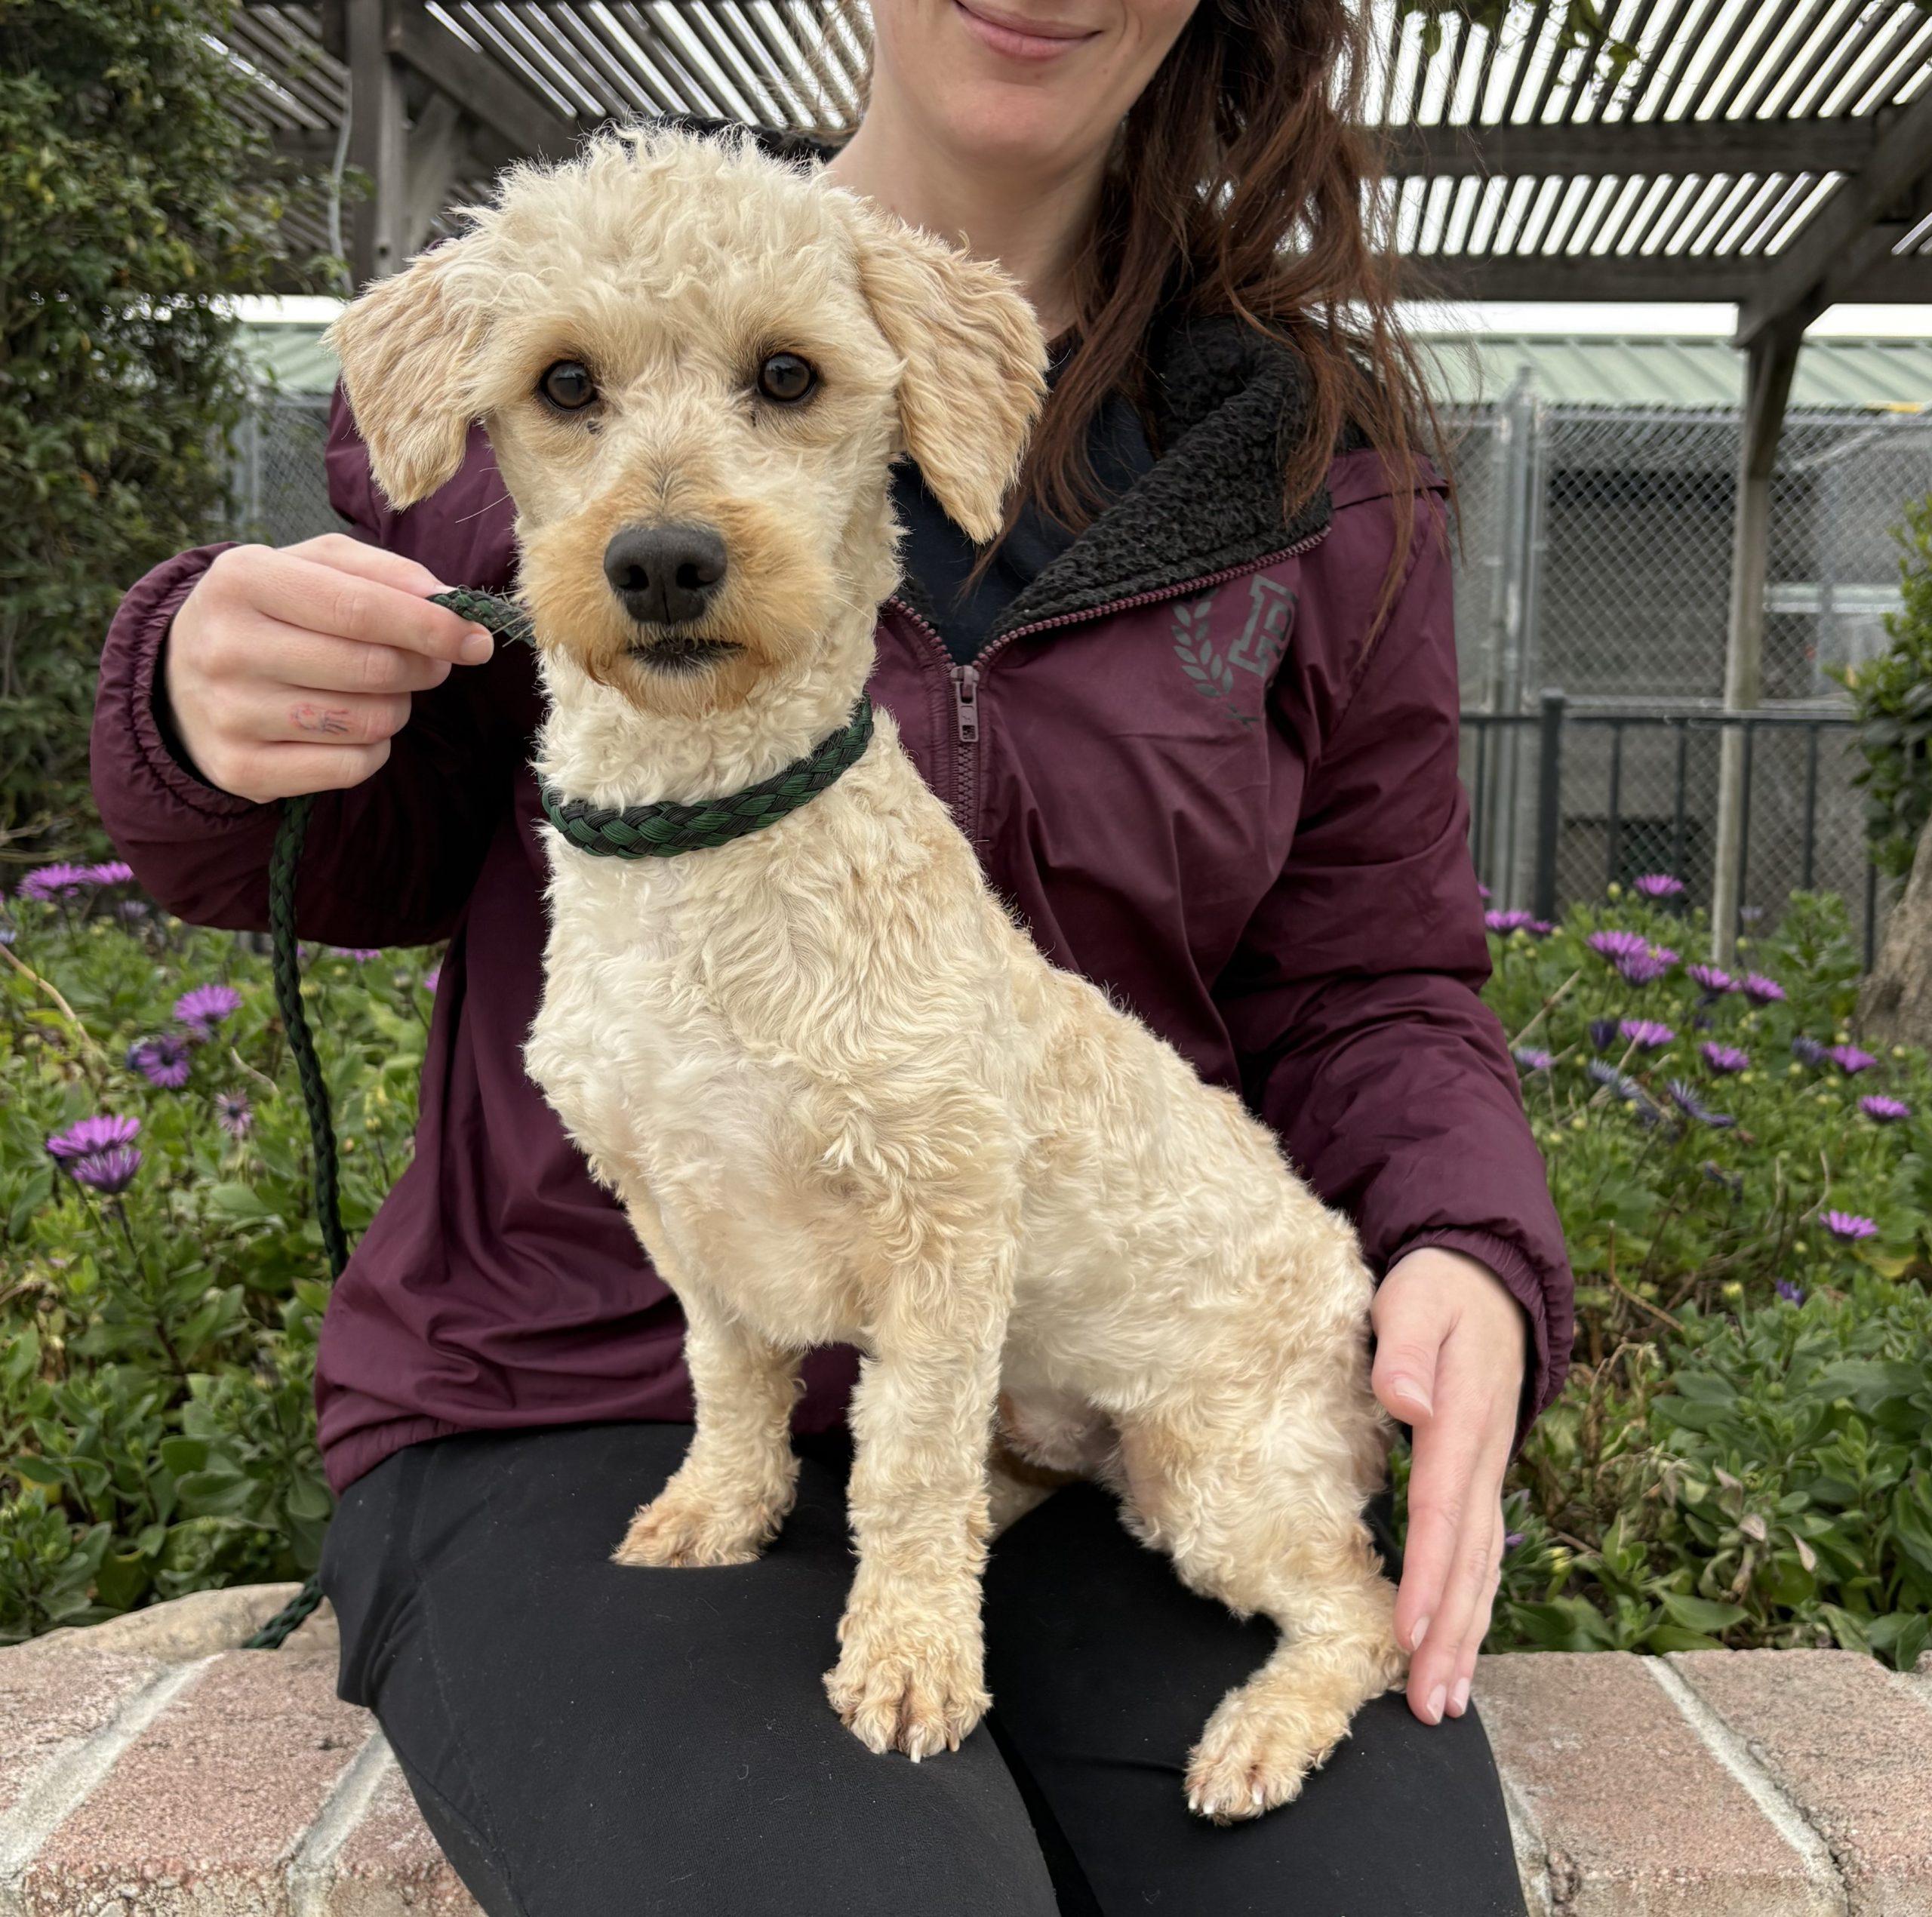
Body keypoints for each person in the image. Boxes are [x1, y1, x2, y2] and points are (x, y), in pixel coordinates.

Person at [91, 3, 1571, 1911]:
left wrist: (1462, 1241)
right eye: (573, 399)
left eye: (788, 384)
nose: (665, 508)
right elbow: (352, 843)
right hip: (568, 1397)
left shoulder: (1311, 476)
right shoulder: (553, 300)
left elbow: (1370, 976)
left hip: (1059, 1387)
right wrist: (205, 699)